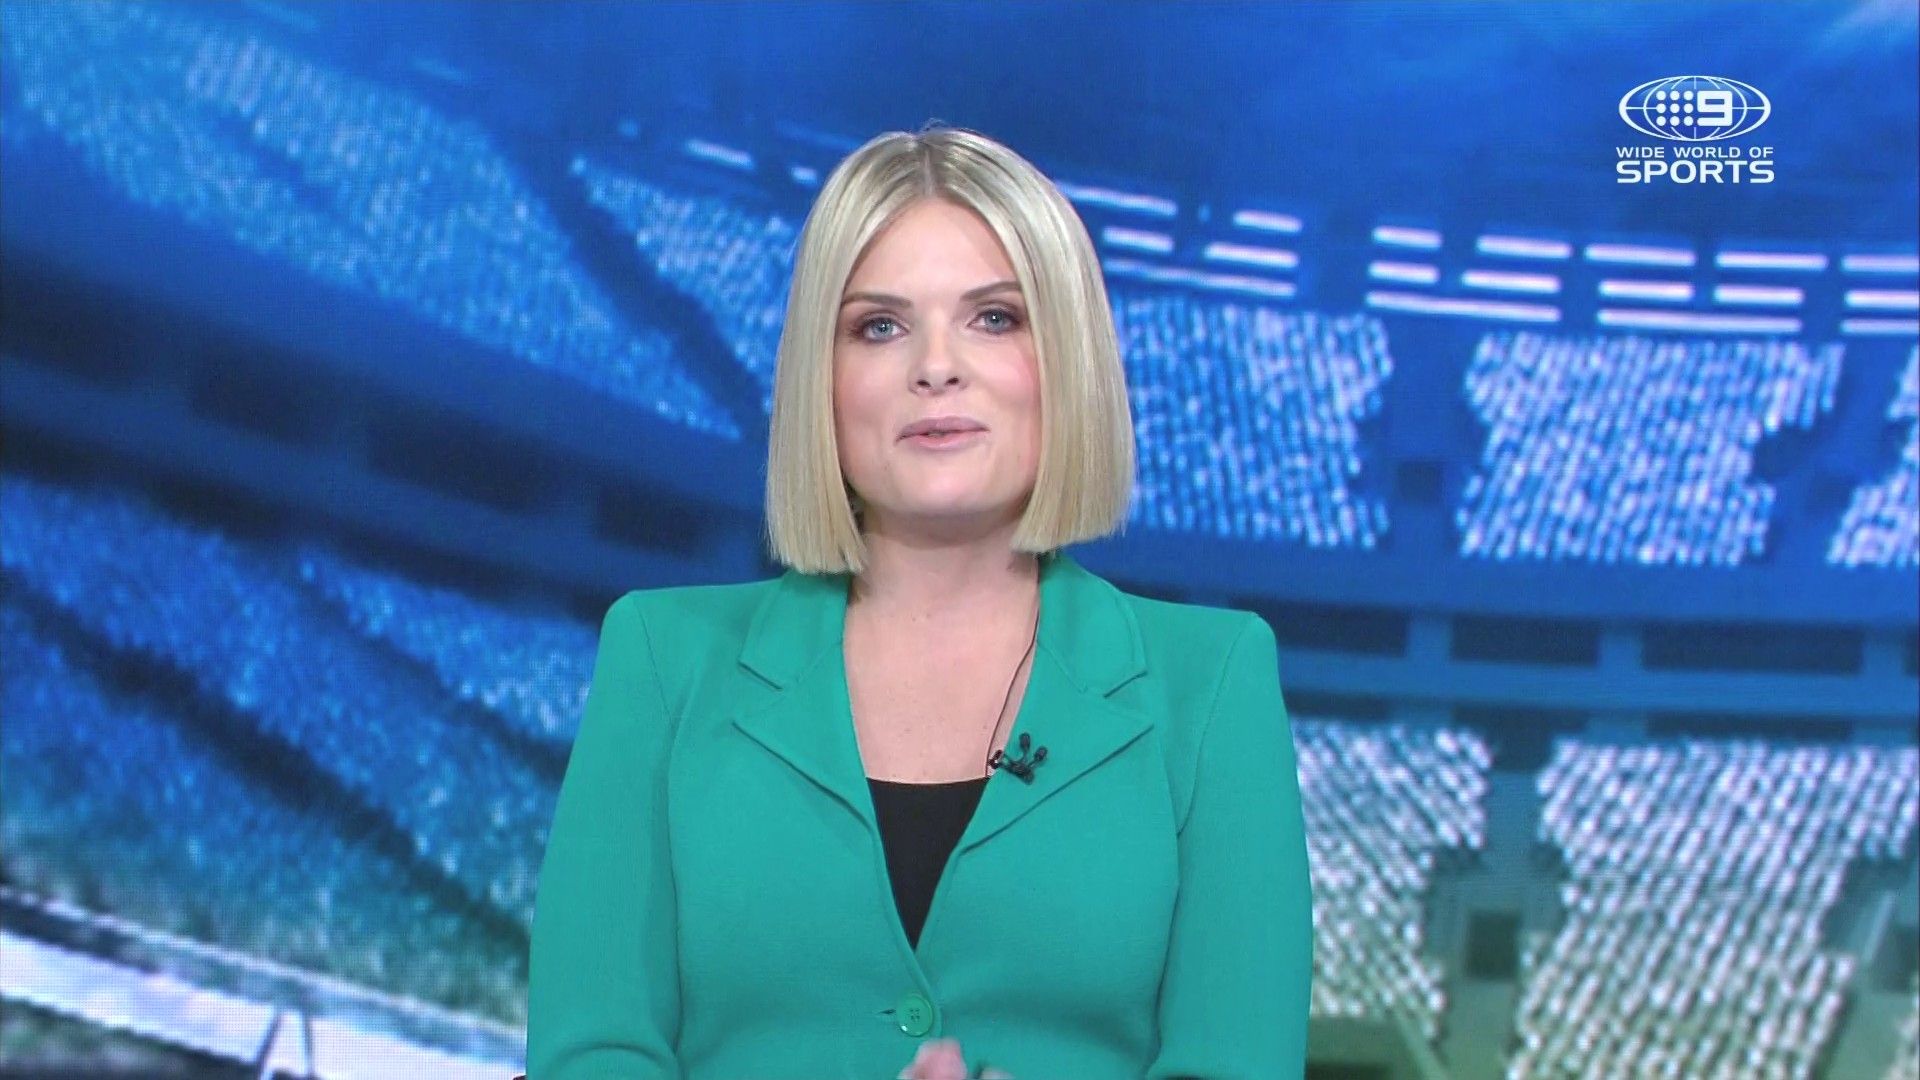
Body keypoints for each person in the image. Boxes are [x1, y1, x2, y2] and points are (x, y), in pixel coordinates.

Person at [524, 122, 1312, 1079]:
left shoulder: (1213, 682)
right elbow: (594, 1050)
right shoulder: (661, 657)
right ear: (822, 379)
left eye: (995, 318)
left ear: (1068, 362)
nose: (936, 366)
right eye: (879, 327)